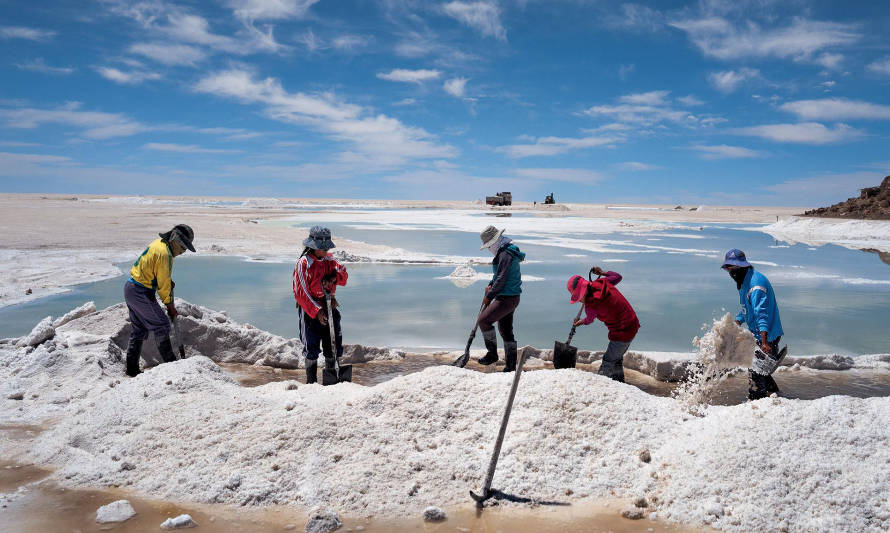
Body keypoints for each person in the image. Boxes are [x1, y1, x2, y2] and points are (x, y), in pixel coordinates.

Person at [124, 224, 196, 377]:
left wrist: (167, 281)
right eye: (183, 247)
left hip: (132, 287)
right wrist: (170, 306)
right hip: (140, 291)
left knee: (139, 330)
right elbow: (163, 286)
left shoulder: (159, 244)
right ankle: (172, 365)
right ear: (175, 240)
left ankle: (131, 370)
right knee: (162, 324)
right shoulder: (166, 254)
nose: (183, 252)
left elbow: (157, 273)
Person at [721, 249, 786, 400]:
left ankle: (756, 402)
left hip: (767, 336)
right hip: (759, 335)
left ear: (742, 267)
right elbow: (747, 309)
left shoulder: (756, 286)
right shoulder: (745, 282)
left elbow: (761, 314)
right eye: (728, 270)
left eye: (732, 269)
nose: (731, 274)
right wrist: (736, 322)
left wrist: (764, 342)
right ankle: (776, 395)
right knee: (762, 369)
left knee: (756, 372)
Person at [293, 226, 348, 385]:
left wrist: (334, 277)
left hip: (330, 306)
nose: (325, 251)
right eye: (321, 249)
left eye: (326, 248)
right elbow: (300, 292)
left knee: (333, 345)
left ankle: (332, 381)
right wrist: (316, 312)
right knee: (311, 348)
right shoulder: (304, 263)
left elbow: (344, 278)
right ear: (312, 246)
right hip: (310, 312)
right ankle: (311, 383)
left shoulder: (330, 260)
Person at [566, 267, 639, 382]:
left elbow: (589, 320)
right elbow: (618, 277)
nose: (580, 301)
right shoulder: (602, 282)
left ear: (583, 292)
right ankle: (619, 383)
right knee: (616, 358)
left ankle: (601, 384)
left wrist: (581, 322)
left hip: (622, 332)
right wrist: (602, 273)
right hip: (632, 323)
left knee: (608, 361)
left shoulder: (591, 306)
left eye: (579, 297)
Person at [477, 226, 525, 371]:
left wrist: (489, 296)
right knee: (505, 330)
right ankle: (510, 366)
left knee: (484, 321)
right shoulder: (505, 252)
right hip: (511, 297)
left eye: (489, 246)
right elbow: (498, 276)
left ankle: (492, 354)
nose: (489, 249)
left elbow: (502, 278)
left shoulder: (505, 254)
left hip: (506, 298)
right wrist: (491, 284)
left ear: (495, 242)